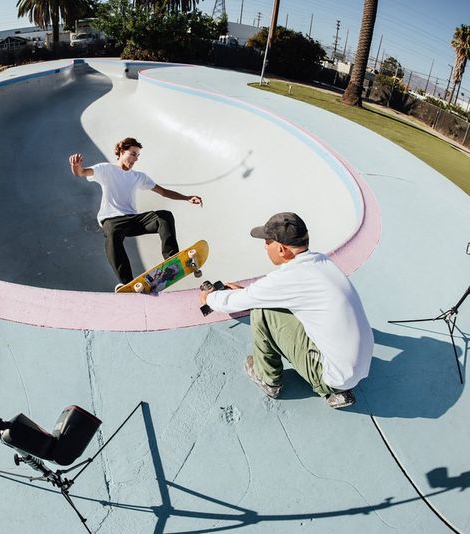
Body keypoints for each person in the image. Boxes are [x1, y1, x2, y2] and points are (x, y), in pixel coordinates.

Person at [199, 212, 373, 408]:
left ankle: (269, 380)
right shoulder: (322, 261)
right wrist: (249, 292)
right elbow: (282, 292)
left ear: (281, 249)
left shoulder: (290, 277)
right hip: (360, 364)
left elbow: (233, 303)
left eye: (267, 242)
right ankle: (337, 385)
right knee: (269, 303)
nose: (265, 247)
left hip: (333, 374)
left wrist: (210, 297)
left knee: (261, 310)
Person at [69, 137, 203, 290]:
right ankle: (127, 282)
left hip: (133, 220)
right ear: (121, 151)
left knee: (164, 215)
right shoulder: (105, 169)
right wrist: (76, 166)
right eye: (132, 154)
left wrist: (186, 198)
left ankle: (172, 259)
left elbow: (163, 192)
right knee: (112, 234)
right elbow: (81, 172)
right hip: (111, 220)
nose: (135, 159)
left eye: (137, 156)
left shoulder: (138, 176)